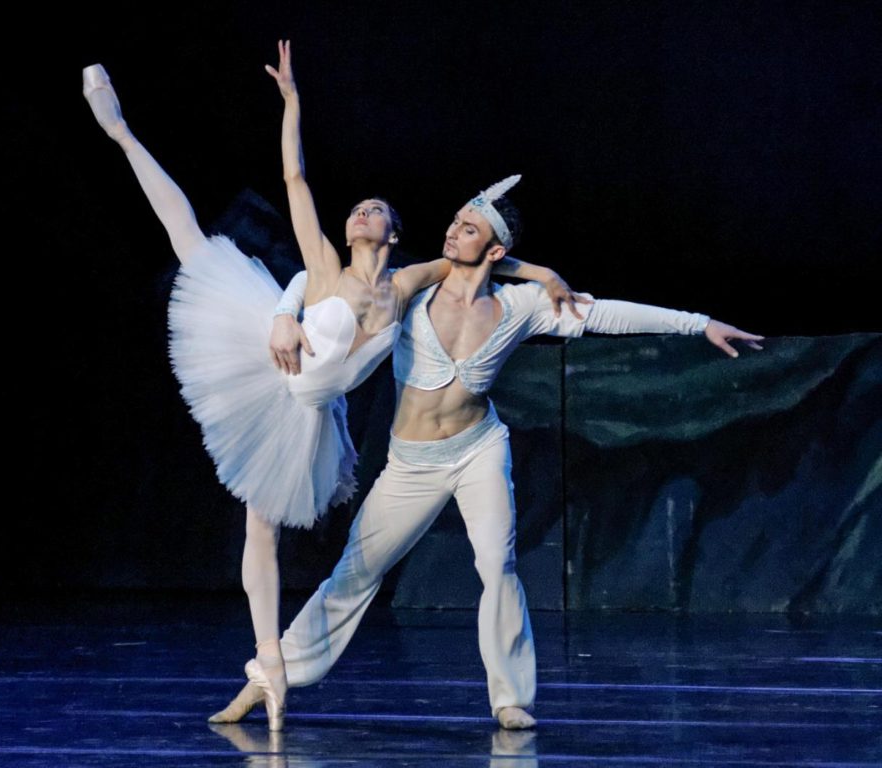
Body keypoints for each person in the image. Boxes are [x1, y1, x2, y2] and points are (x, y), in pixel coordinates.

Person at [83, 41, 581, 732]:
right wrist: (292, 105)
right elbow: (294, 178)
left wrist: (539, 275)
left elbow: (479, 257)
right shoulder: (320, 264)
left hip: (309, 414)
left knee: (264, 533)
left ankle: (272, 674)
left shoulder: (409, 283)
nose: (358, 214)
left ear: (393, 230)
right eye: (355, 210)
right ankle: (119, 131)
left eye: (372, 210)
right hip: (266, 366)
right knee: (190, 240)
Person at [213, 177, 765, 730]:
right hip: (411, 463)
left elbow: (605, 314)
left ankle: (509, 698)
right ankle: (268, 676)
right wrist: (285, 311)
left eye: (468, 228)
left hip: (479, 449)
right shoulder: (412, 292)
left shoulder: (522, 306)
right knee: (356, 573)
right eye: (453, 222)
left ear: (495, 250)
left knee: (498, 565)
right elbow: (319, 282)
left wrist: (700, 324)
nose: (452, 231)